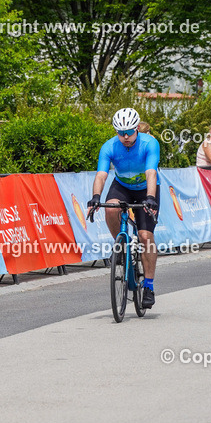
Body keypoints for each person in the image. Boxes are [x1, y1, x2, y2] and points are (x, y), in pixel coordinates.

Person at [86, 107, 160, 309]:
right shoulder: (109, 147)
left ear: (137, 128)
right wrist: (95, 197)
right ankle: (120, 247)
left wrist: (151, 198)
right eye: (121, 133)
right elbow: (101, 175)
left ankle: (149, 286)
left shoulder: (149, 143)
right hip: (122, 187)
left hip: (146, 188)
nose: (125, 137)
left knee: (145, 237)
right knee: (110, 208)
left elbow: (151, 173)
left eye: (129, 132)